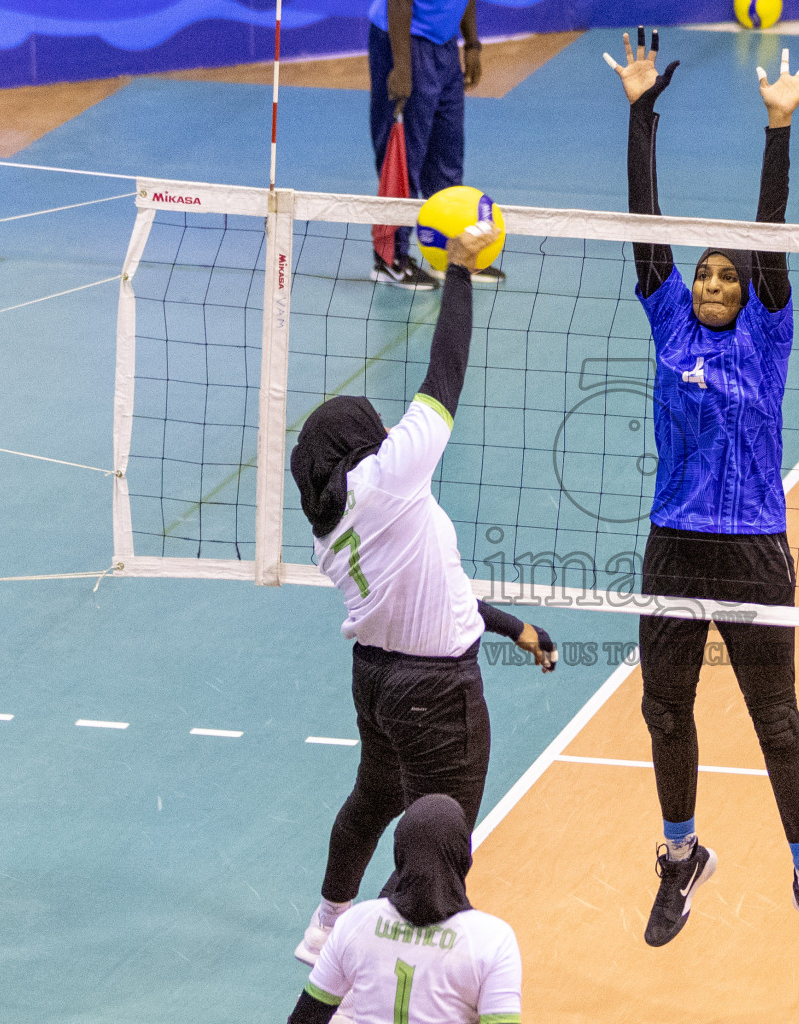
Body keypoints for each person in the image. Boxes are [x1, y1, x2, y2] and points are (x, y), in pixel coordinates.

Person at [603, 29, 799, 974]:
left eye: (724, 275)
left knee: (775, 719)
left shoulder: (767, 332)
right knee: (666, 711)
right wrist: (639, 115)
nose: (709, 280)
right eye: (703, 272)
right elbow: (643, 224)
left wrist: (775, 129)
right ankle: (680, 854)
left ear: (748, 291)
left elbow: (770, 229)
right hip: (673, 542)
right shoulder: (665, 312)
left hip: (751, 547)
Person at [288, 219, 557, 967]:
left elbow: (432, 591)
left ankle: (326, 925)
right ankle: (385, 959)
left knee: (373, 800)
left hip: (377, 681)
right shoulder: (388, 479)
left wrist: (509, 628)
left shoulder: (330, 527)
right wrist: (461, 271)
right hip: (436, 692)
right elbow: (445, 375)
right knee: (444, 837)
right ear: (359, 446)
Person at [286, 794, 522, 1024]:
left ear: (399, 855)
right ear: (463, 859)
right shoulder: (492, 940)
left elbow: (305, 1018)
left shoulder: (354, 923)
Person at [367, 0, 505, 289]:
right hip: (403, 40)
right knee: (405, 155)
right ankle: (390, 259)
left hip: (444, 45)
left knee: (447, 152)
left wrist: (472, 44)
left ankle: (449, 254)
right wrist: (402, 67)